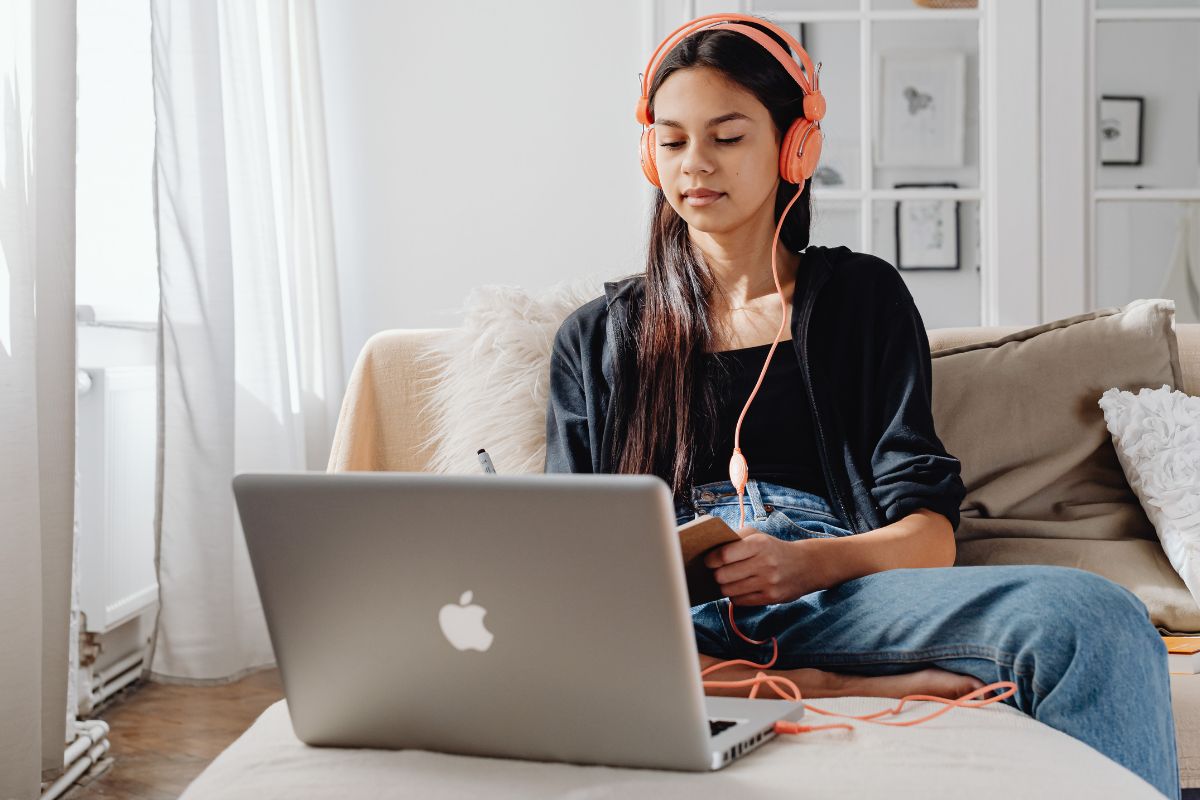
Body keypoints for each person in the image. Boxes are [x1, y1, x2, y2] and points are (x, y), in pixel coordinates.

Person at [542, 14, 1181, 799]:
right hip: (672, 622)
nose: (695, 165)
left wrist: (804, 563)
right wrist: (817, 680)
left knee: (1096, 619)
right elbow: (568, 571)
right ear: (650, 157)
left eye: (727, 136)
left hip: (844, 592)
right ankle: (811, 684)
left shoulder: (861, 299)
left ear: (793, 148)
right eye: (671, 142)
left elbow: (929, 535)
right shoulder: (597, 338)